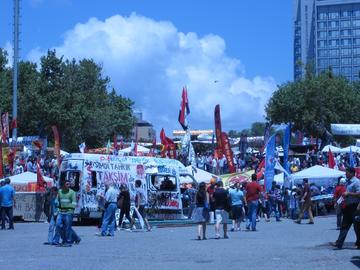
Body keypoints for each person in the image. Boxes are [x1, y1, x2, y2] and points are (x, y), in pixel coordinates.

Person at [331, 167, 360, 249]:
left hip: (355, 207)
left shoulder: (357, 182)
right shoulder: (347, 182)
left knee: (357, 227)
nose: (345, 174)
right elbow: (344, 195)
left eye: (347, 172)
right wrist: (338, 203)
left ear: (351, 173)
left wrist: (349, 193)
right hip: (348, 207)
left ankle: (359, 243)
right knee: (344, 226)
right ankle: (339, 243)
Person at [53, 180, 78, 246]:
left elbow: (74, 203)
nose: (68, 185)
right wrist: (57, 208)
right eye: (67, 184)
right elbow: (57, 201)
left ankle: (67, 241)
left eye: (69, 184)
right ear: (63, 185)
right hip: (60, 212)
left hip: (69, 212)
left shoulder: (72, 192)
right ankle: (75, 238)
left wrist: (66, 207)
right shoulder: (60, 192)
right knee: (58, 225)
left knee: (67, 227)